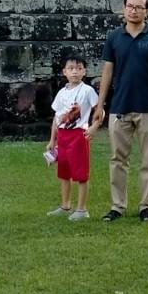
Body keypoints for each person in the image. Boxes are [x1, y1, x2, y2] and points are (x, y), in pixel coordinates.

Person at [89, 0, 148, 221]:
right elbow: (107, 71)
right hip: (119, 107)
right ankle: (117, 206)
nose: (133, 11)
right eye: (130, 7)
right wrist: (100, 104)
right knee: (118, 159)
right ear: (123, 9)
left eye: (139, 7)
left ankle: (146, 206)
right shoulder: (114, 37)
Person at [46, 54, 99, 221]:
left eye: (78, 68)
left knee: (81, 173)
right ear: (64, 72)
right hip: (63, 136)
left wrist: (94, 127)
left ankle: (82, 209)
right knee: (64, 172)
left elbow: (100, 111)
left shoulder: (88, 91)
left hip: (78, 135)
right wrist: (52, 140)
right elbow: (57, 118)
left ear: (84, 71)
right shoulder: (61, 93)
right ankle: (65, 204)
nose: (75, 72)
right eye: (71, 69)